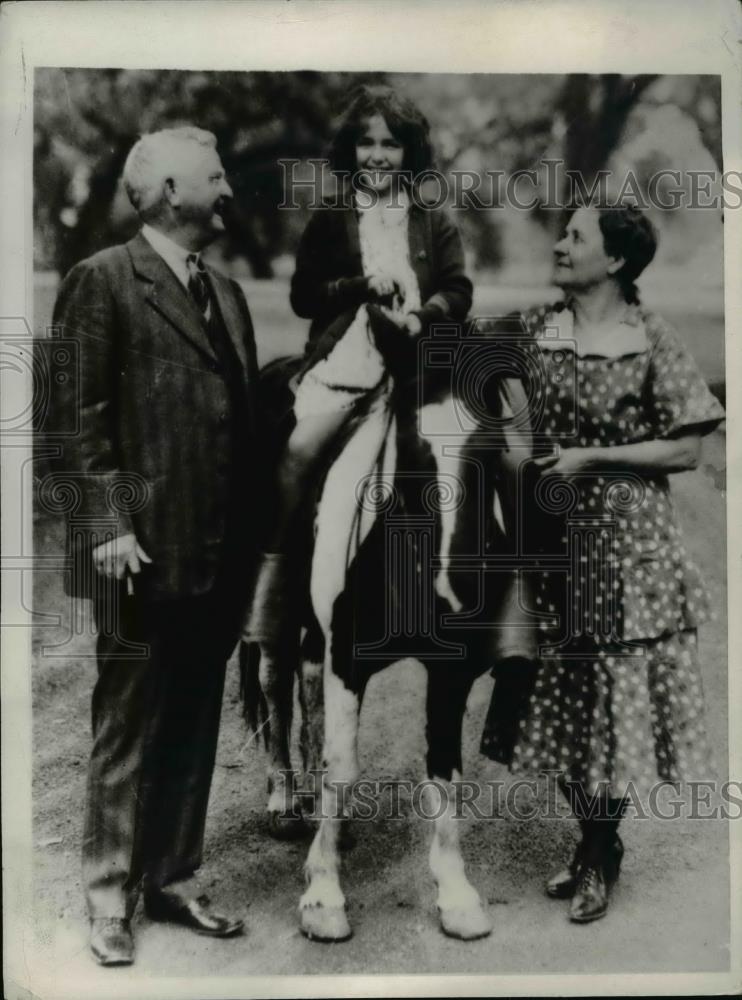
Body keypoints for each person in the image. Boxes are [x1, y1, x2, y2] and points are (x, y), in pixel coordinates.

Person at [480, 203, 725, 923]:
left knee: (610, 710)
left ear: (615, 261)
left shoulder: (650, 337)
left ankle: (598, 848)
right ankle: (594, 840)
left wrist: (592, 457)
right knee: (556, 700)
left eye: (575, 237)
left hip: (628, 550)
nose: (558, 245)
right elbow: (468, 362)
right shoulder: (532, 328)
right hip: (553, 542)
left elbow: (686, 448)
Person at [51, 127, 261, 965]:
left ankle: (170, 877)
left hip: (216, 554)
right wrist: (105, 524)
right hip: (135, 551)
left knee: (194, 718)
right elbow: (72, 418)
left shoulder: (232, 294)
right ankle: (108, 897)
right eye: (216, 175)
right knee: (128, 722)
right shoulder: (102, 280)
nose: (230, 190)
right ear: (173, 191)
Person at [245, 84, 473, 644]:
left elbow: (458, 287)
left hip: (423, 367)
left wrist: (428, 313)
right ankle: (271, 586)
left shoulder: (433, 220)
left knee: (477, 451)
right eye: (366, 143)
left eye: (391, 145)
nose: (377, 155)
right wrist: (358, 286)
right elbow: (303, 296)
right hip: (349, 359)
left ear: (410, 154)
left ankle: (479, 586)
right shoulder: (331, 219)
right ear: (349, 150)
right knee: (298, 452)